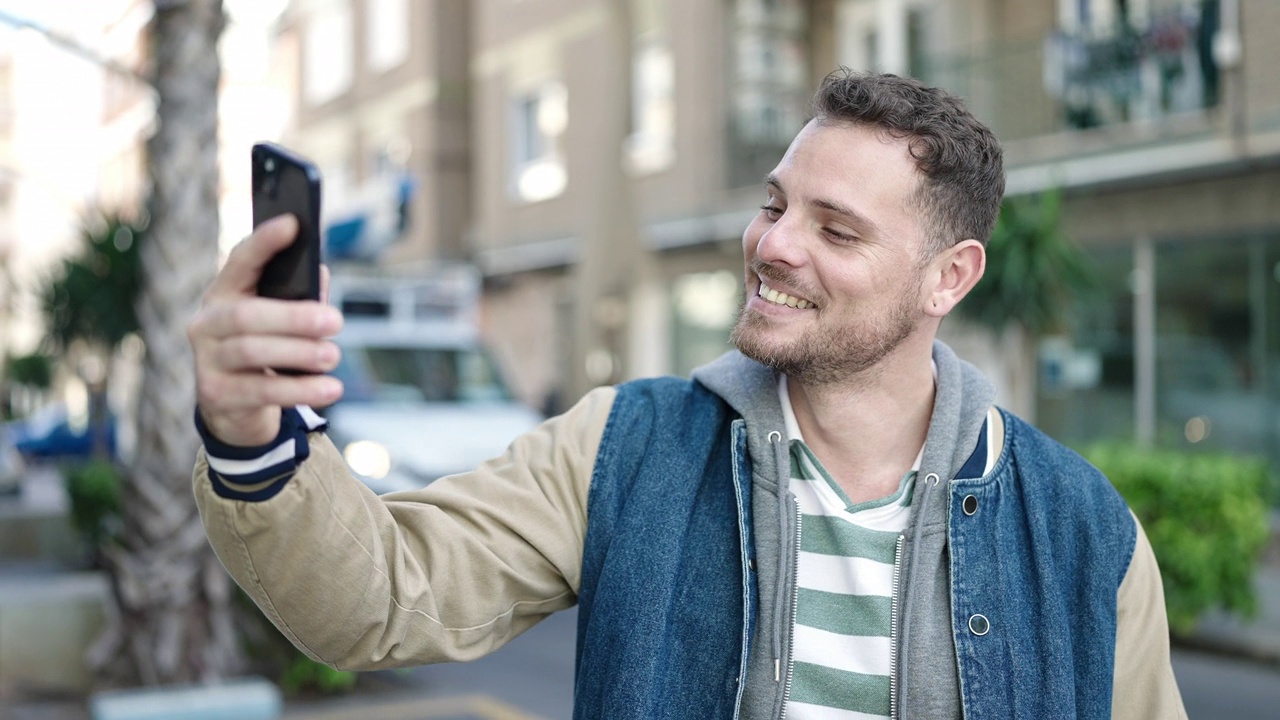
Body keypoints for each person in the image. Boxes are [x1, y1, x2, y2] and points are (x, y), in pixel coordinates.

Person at [188, 70, 1186, 719]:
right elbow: (379, 602)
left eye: (836, 232)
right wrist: (249, 433)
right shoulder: (626, 445)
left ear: (948, 278)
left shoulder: (1080, 532)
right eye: (774, 204)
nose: (773, 244)